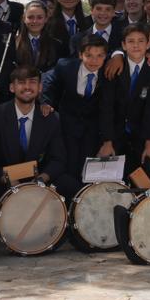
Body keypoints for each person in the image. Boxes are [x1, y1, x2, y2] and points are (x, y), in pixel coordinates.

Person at [0, 66, 69, 207]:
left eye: (32, 82)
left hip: (37, 180)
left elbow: (59, 159)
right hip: (4, 181)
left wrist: (41, 180)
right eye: (21, 82)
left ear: (40, 87)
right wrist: (8, 180)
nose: (27, 87)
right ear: (12, 87)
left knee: (69, 185)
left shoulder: (51, 118)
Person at [41, 32, 115, 198]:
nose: (94, 60)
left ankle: (83, 204)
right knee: (67, 167)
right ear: (80, 54)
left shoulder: (109, 73)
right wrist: (46, 102)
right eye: (89, 55)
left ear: (106, 56)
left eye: (100, 56)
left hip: (93, 129)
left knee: (87, 170)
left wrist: (107, 140)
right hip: (67, 125)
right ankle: (64, 205)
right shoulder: (65, 66)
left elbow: (107, 109)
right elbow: (50, 85)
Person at [98, 23, 150, 181]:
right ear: (123, 45)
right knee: (114, 181)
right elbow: (106, 106)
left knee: (148, 174)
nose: (136, 45)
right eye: (131, 41)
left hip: (142, 134)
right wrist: (107, 141)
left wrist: (149, 142)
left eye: (141, 41)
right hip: (115, 134)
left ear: (148, 44)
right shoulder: (114, 66)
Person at [12, 1, 63, 72]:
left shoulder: (56, 45)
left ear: (46, 19)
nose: (35, 21)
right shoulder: (13, 43)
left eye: (39, 17)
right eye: (30, 17)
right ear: (24, 19)